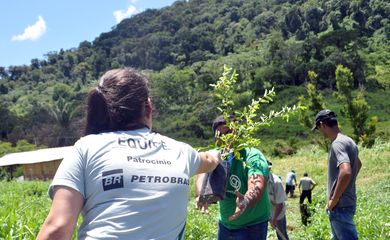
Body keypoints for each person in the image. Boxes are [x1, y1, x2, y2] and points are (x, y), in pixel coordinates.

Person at [36, 68, 221, 240]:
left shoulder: (87, 148)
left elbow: (58, 228)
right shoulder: (181, 151)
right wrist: (219, 150)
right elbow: (210, 160)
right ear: (148, 107)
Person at [195, 115, 271, 240]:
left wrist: (245, 201)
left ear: (237, 133)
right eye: (220, 135)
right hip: (225, 224)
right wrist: (201, 194)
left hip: (252, 226)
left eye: (229, 133)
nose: (225, 138)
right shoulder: (216, 155)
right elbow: (202, 171)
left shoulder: (253, 155)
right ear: (216, 138)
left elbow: (257, 184)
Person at [313, 109, 362, 240]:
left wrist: (334, 200)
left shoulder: (337, 144)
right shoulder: (348, 140)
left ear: (322, 124)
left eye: (318, 128)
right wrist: (348, 185)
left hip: (340, 206)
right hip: (346, 203)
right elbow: (358, 163)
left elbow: (346, 171)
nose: (320, 132)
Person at [267, 161, 289, 240]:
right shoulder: (258, 180)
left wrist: (274, 219)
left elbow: (280, 204)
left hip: (278, 214)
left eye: (268, 169)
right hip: (266, 212)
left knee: (281, 235)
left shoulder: (276, 182)